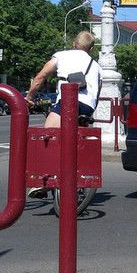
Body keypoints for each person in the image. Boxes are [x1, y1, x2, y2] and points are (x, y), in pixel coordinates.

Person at [25, 30, 102, 198]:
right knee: (78, 140)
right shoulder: (96, 66)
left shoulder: (62, 56)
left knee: (48, 135)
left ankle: (43, 182)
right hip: (88, 107)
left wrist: (29, 96)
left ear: (74, 44)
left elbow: (41, 76)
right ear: (91, 48)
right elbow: (98, 91)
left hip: (69, 102)